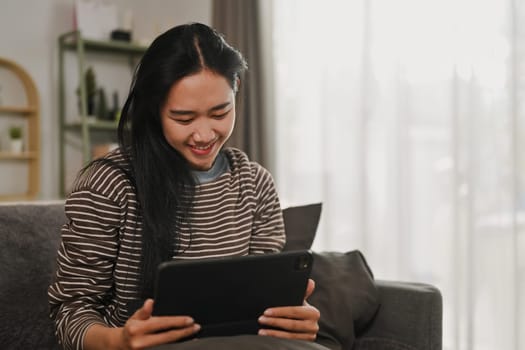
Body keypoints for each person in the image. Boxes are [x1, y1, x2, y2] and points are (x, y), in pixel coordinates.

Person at [48, 22, 321, 350]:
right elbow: (70, 314)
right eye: (184, 119)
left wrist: (292, 319)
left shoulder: (254, 183)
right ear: (154, 110)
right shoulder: (108, 186)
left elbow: (260, 303)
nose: (205, 135)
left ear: (236, 90)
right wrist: (117, 340)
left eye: (220, 113)